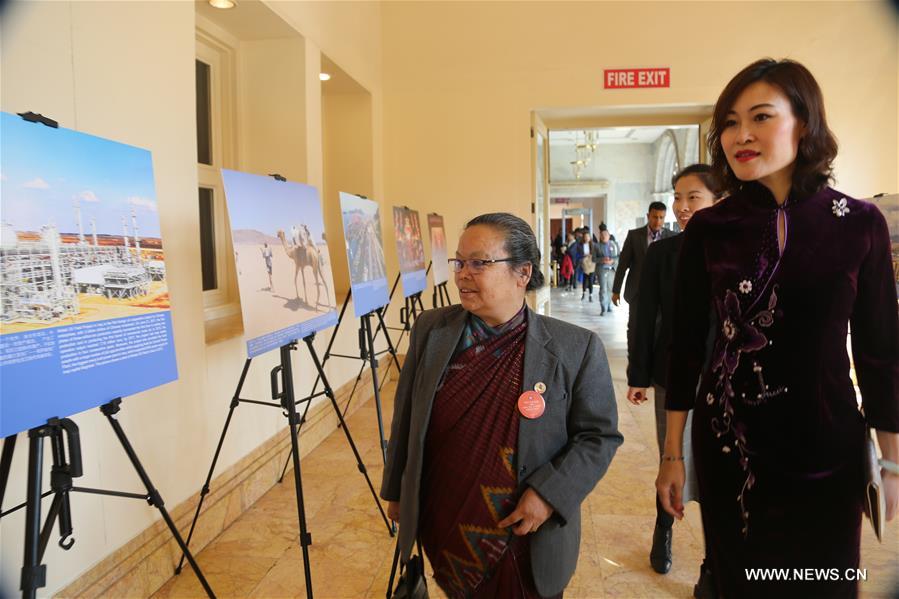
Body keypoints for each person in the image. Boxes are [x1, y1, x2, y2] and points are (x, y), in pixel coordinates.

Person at [656, 59, 899, 598]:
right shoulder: (710, 230)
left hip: (826, 448)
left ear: (805, 123)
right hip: (731, 448)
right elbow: (686, 348)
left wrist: (892, 461)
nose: (740, 135)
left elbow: (881, 351)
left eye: (761, 117)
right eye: (730, 122)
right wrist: (672, 455)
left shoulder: (859, 223)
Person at [381, 213, 623, 598]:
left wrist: (550, 494)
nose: (463, 274)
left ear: (522, 272)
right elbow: (406, 415)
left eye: (479, 262)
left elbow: (599, 437)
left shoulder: (575, 348)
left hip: (525, 533)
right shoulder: (432, 330)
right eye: (459, 262)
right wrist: (397, 489)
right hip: (444, 516)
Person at [626, 164, 723, 595]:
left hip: (726, 377)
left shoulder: (738, 252)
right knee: (673, 458)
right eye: (677, 198)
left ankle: (714, 559)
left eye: (693, 198)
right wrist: (638, 373)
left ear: (719, 200)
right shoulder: (664, 254)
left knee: (719, 468)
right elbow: (643, 316)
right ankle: (664, 526)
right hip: (673, 376)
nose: (682, 208)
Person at [612, 201, 673, 347]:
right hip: (637, 292)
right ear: (648, 216)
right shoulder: (634, 236)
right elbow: (623, 265)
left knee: (659, 330)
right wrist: (616, 290)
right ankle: (634, 361)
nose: (658, 221)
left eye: (661, 217)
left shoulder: (672, 237)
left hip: (662, 293)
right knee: (635, 328)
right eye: (654, 217)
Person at [596, 227, 619, 316]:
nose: (603, 236)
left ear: (609, 236)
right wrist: (602, 260)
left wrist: (612, 261)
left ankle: (609, 304)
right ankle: (603, 308)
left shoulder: (614, 245)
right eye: (601, 235)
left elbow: (618, 256)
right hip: (602, 269)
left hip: (612, 270)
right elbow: (594, 259)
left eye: (605, 235)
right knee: (603, 289)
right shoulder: (597, 246)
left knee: (610, 288)